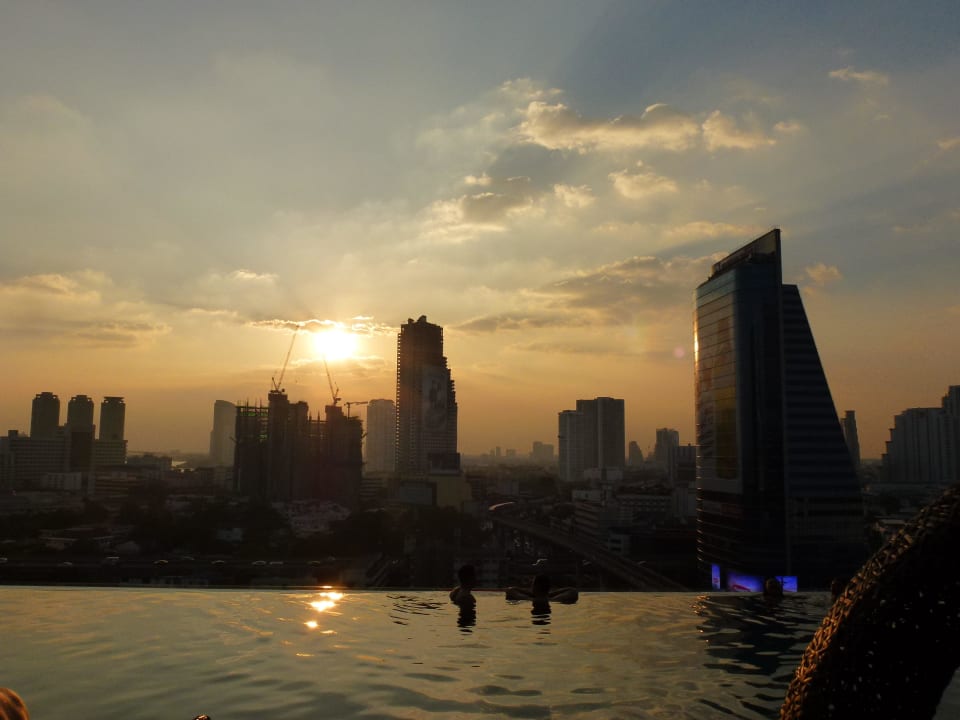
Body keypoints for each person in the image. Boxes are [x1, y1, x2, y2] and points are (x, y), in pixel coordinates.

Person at [505, 574, 579, 605]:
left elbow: (511, 590)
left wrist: (532, 594)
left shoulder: (527, 599)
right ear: (549, 588)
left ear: (534, 587)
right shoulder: (556, 599)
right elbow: (572, 590)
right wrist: (549, 594)